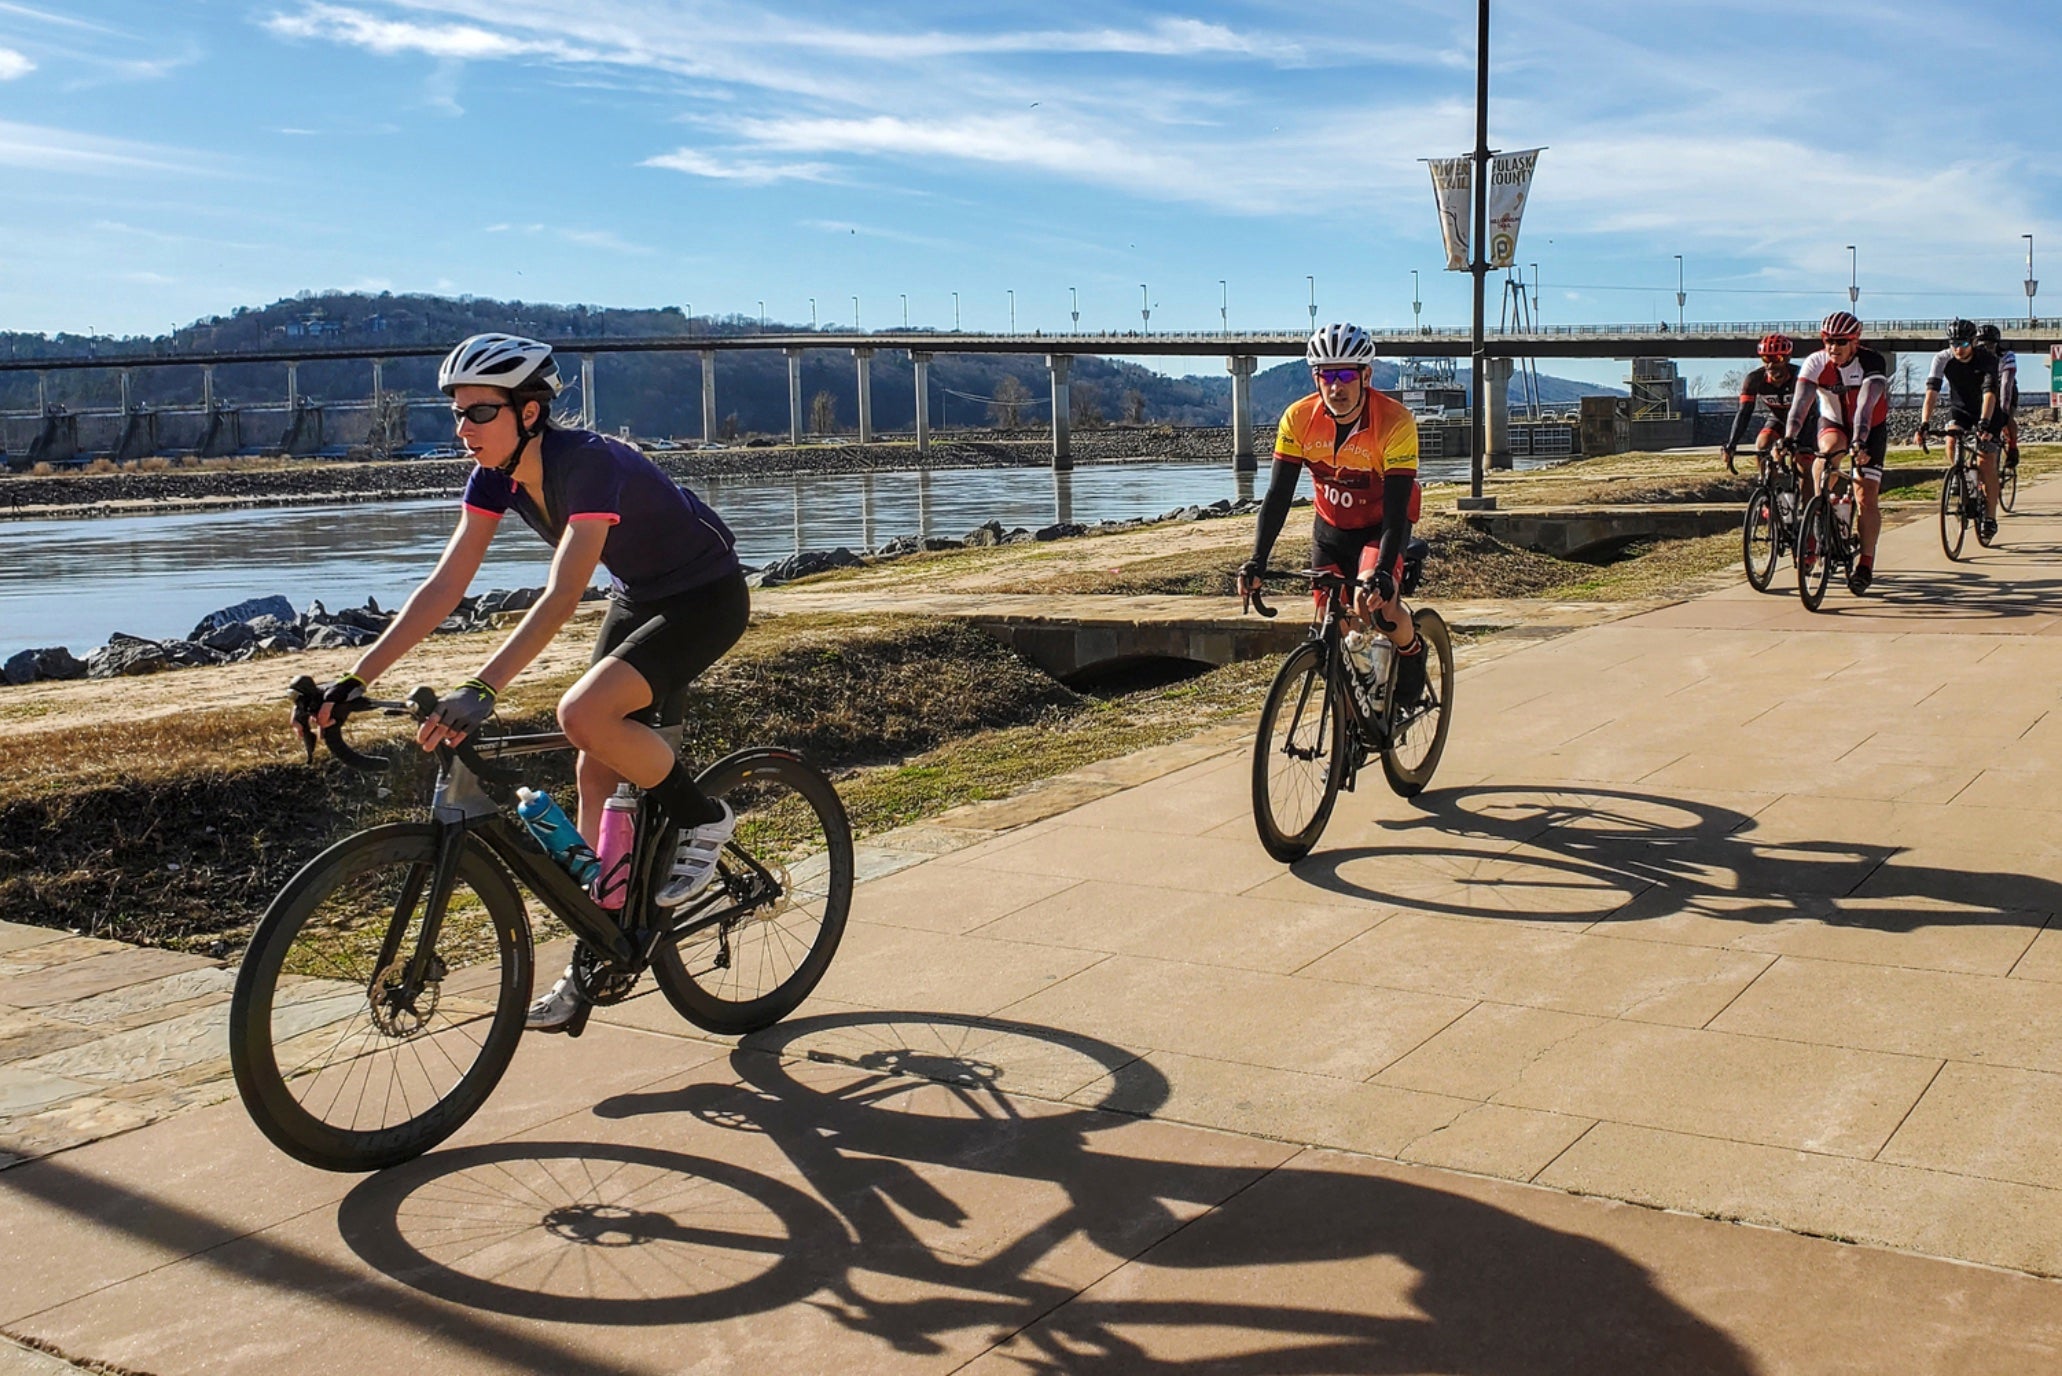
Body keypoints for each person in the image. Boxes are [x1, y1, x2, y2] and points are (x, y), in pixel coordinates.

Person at [311, 333, 750, 1033]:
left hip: (705, 596)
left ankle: (704, 817)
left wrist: (483, 689)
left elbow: (561, 594)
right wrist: (352, 676)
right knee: (593, 765)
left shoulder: (590, 466)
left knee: (583, 714)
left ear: (531, 413)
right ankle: (600, 949)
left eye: (480, 413)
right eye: (457, 412)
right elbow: (446, 585)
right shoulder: (493, 479)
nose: (462, 429)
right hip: (640, 594)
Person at [1238, 322, 1427, 703]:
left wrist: (1384, 575)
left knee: (1371, 605)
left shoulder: (1395, 421)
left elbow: (1394, 512)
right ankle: (1361, 694)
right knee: (1332, 615)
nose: (1336, 386)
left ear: (1366, 375)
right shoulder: (1298, 419)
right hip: (1331, 526)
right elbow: (1277, 496)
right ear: (1316, 377)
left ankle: (1411, 650)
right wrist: (1257, 560)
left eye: (1345, 375)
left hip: (1382, 525)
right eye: (1327, 376)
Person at [1784, 311, 1891, 593]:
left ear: (1855, 342)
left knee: (1865, 495)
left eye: (1841, 342)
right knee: (1823, 464)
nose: (1833, 347)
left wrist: (1860, 442)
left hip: (1870, 428)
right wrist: (1788, 437)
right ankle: (1815, 530)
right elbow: (1800, 405)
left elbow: (1866, 408)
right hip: (1832, 422)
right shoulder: (1816, 362)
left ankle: (1865, 564)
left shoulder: (1872, 362)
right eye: (1828, 340)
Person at [1914, 318, 2001, 542]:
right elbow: (1932, 392)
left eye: (1963, 344)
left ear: (1973, 342)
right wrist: (1924, 422)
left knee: (1985, 461)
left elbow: (1989, 393)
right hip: (1960, 410)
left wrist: (1984, 422)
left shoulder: (1987, 359)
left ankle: (1990, 517)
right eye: (1953, 344)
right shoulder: (1942, 359)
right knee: (1951, 438)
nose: (1958, 349)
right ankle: (1959, 477)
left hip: (1987, 411)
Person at [1720, 333, 1802, 477]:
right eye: (1766, 358)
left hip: (1803, 421)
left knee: (1802, 464)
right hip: (1777, 419)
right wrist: (1731, 445)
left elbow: (1812, 411)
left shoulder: (1800, 376)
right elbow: (1744, 413)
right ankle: (1768, 489)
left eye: (1777, 359)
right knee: (1761, 446)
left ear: (1787, 358)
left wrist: (1790, 440)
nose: (1770, 364)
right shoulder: (1754, 379)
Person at [1975, 323, 2020, 476]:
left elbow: (2006, 384)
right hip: (1985, 389)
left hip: (2005, 389)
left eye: (1990, 344)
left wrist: (2004, 413)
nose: (1986, 348)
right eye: (1982, 344)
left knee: (2006, 418)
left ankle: (2012, 446)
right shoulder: (1975, 357)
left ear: (1997, 344)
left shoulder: (2007, 356)